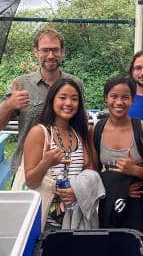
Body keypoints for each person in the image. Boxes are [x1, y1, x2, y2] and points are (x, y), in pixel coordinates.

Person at [0, 26, 83, 175]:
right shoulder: (21, 84)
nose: (51, 55)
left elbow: (80, 125)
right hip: (28, 167)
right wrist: (9, 105)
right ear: (36, 52)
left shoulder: (75, 84)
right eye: (45, 50)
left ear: (62, 52)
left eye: (55, 50)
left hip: (68, 166)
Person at [88, 76, 143, 231]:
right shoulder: (96, 131)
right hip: (108, 204)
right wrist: (119, 189)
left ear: (132, 100)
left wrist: (136, 170)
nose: (119, 102)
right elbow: (92, 173)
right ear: (106, 98)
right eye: (114, 96)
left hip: (139, 206)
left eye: (125, 97)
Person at [23, 78, 95, 229]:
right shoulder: (39, 133)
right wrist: (46, 163)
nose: (68, 103)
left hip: (74, 219)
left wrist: (77, 191)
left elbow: (90, 171)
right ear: (52, 100)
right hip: (44, 221)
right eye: (62, 98)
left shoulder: (78, 134)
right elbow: (31, 181)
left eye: (74, 99)